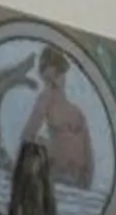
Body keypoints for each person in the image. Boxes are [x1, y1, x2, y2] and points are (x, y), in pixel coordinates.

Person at [19, 44, 95, 193]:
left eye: (57, 77)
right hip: (60, 177)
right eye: (48, 80)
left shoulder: (77, 112)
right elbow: (28, 134)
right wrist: (46, 146)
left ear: (63, 75)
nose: (54, 83)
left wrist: (88, 180)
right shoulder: (45, 100)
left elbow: (88, 150)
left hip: (79, 181)